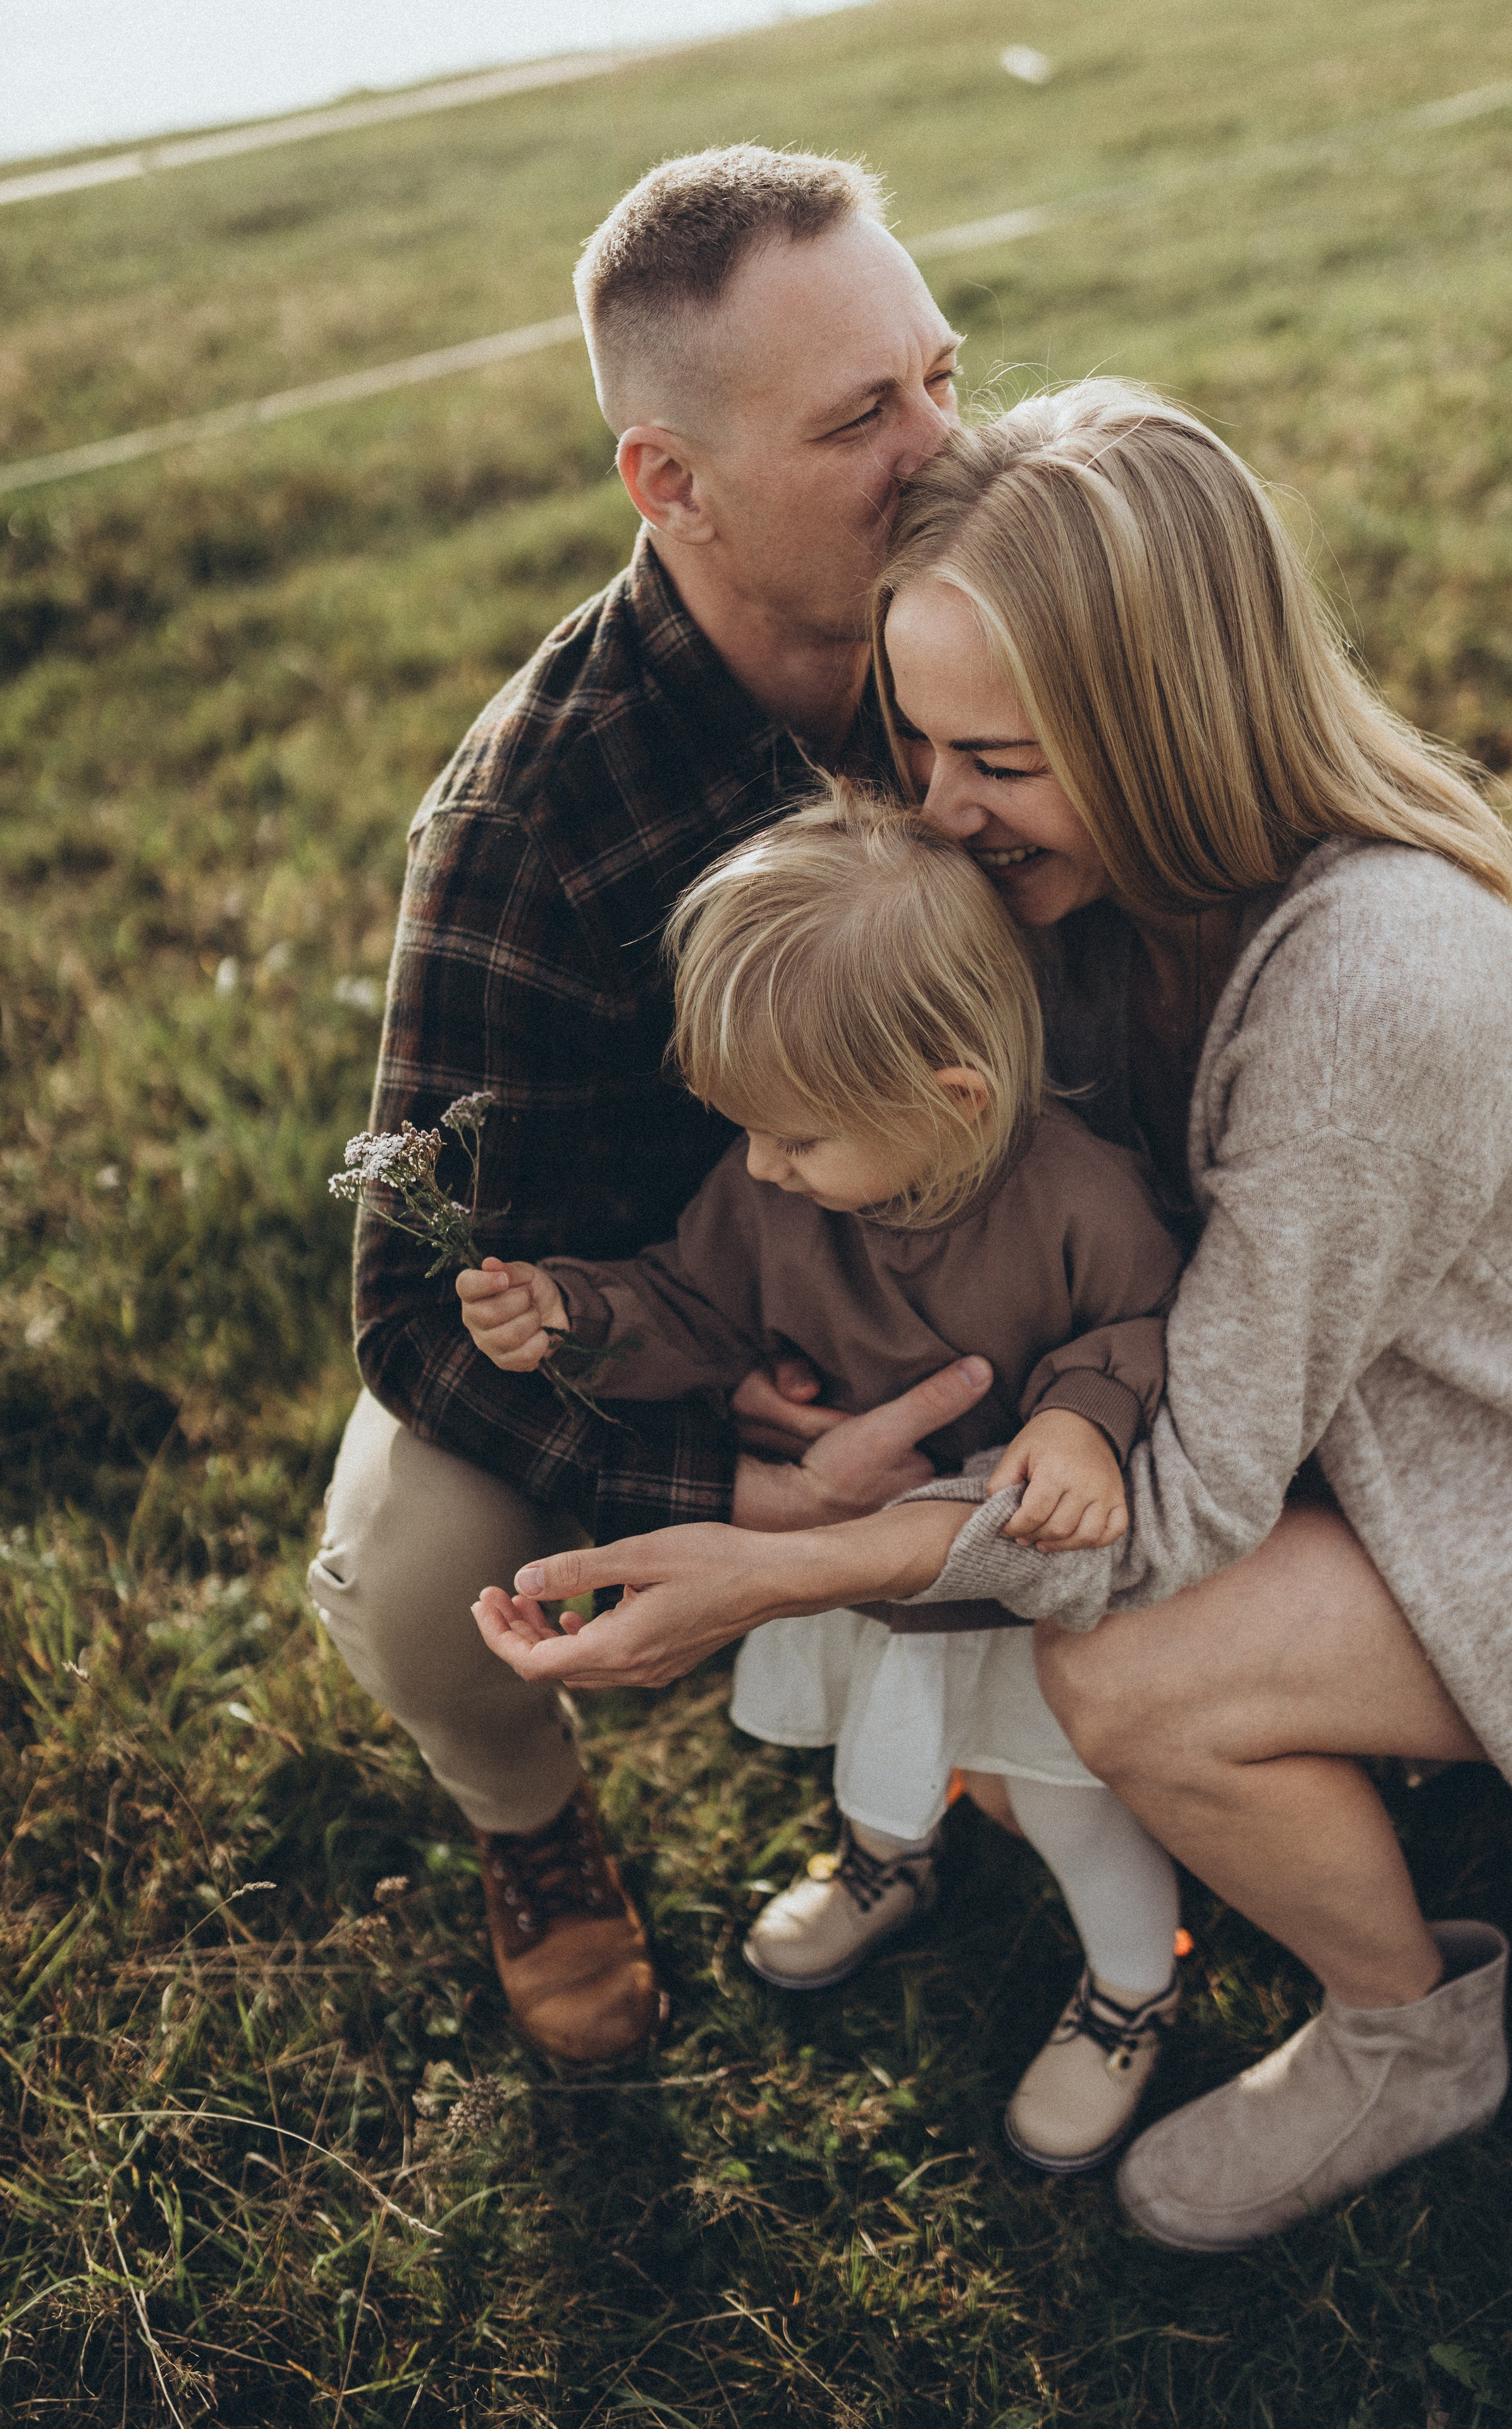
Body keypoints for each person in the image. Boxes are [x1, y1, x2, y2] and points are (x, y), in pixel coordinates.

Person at [474, 381, 1512, 2247]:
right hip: (1363, 1457)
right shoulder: (1080, 918)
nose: (937, 812)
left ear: (1166, 727)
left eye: (993, 760)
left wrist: (776, 1563)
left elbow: (1168, 1525)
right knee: (1026, 1663)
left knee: (1130, 1664)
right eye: (916, 744)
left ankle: (1415, 2032)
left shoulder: (1369, 991)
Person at [306, 145, 999, 2067]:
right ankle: (533, 1834)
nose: (943, 449)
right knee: (422, 1568)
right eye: (865, 415)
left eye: (946, 374)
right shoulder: (537, 816)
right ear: (668, 482)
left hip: (1011, 1225)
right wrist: (744, 1497)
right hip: (696, 1319)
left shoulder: (1019, 597)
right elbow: (410, 1309)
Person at [465, 785, 1185, 2169]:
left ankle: (1131, 1984)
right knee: (879, 1731)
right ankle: (887, 1857)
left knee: (1055, 1795)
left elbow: (1146, 1327)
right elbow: (696, 1303)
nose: (757, 1164)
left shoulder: (1078, 1197)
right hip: (863, 1573)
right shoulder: (764, 1199)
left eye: (795, 1138)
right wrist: (576, 1311)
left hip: (1013, 1583)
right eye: (746, 1131)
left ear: (949, 1099)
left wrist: (1085, 1422)